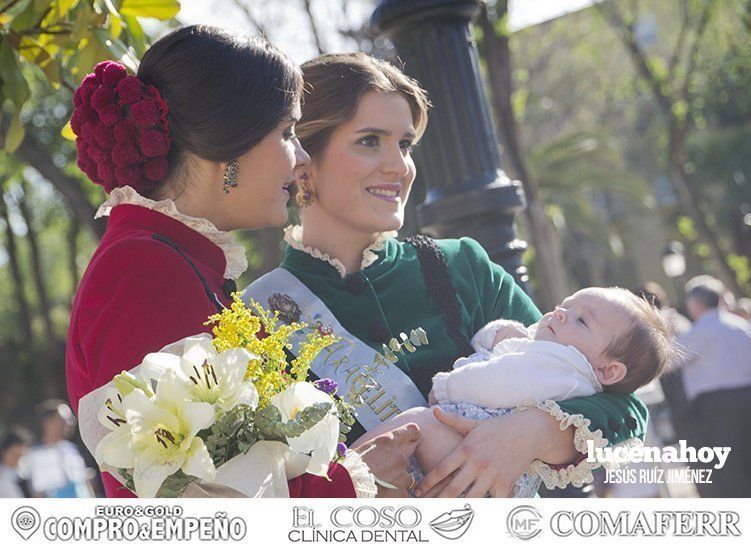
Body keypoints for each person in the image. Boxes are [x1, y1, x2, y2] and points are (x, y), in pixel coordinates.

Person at [244, 52, 649, 498]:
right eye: (369, 141)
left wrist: (534, 431)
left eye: (405, 144)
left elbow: (623, 408)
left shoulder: (462, 266)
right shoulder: (257, 317)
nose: (399, 166)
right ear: (303, 162)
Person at [66, 25, 411, 499]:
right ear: (229, 147)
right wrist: (356, 482)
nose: (301, 156)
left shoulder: (174, 259)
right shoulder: (143, 269)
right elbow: (193, 505)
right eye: (287, 133)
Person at [352, 287, 673, 495]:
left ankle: (341, 472)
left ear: (608, 371)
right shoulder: (551, 351)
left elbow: (501, 382)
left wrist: (446, 386)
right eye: (565, 305)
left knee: (418, 424)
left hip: (484, 465)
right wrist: (503, 334)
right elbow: (494, 345)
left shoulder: (563, 366)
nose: (560, 313)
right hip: (485, 470)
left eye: (581, 321)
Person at [677, 276, 751, 497]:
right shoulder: (741, 325)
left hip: (716, 407)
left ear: (695, 304)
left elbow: (670, 359)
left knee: (728, 467)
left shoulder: (700, 331)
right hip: (746, 396)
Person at [23, 401, 93, 498]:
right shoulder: (36, 454)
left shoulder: (71, 448)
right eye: (65, 419)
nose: (72, 422)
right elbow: (38, 494)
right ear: (47, 423)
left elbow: (84, 482)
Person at [0, 429, 32, 498]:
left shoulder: (28, 471)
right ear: (3, 452)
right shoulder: (2, 476)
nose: (16, 457)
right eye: (13, 453)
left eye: (19, 453)